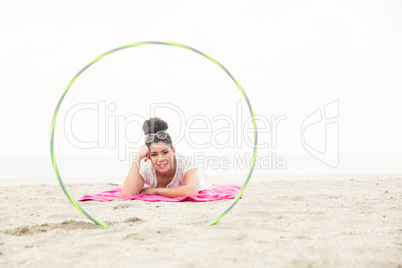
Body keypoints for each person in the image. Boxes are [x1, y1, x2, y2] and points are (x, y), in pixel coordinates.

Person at [122, 117, 210, 198]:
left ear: (173, 151)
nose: (160, 159)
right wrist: (137, 158)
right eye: (154, 154)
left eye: (165, 152)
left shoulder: (186, 162)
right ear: (148, 156)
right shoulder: (147, 169)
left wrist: (155, 191)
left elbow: (191, 192)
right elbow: (128, 194)